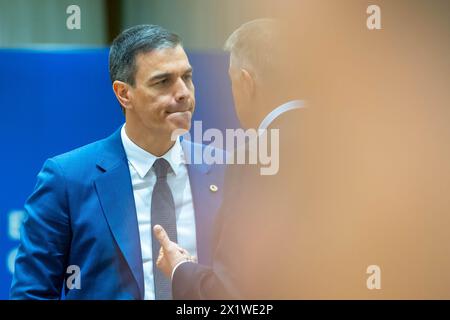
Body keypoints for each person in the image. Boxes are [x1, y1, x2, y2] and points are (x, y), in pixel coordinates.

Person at [10, 24, 226, 300]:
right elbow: (32, 294)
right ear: (124, 93)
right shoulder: (67, 179)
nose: (183, 92)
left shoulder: (227, 172)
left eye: (187, 77)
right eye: (163, 81)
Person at [153, 19, 307, 299]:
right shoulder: (361, 144)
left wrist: (180, 270)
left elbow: (233, 291)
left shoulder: (254, 157)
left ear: (247, 83)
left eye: (232, 82)